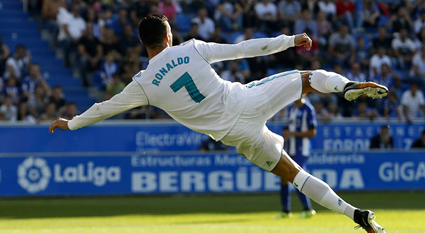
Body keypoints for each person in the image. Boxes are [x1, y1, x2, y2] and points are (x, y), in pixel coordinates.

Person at [50, 14, 388, 233]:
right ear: (168, 35)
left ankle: (355, 215)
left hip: (236, 135)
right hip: (246, 100)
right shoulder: (192, 49)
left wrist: (72, 123)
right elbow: (243, 49)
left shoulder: (143, 84)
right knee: (309, 77)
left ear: (144, 44)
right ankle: (345, 86)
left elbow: (106, 108)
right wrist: (290, 40)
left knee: (294, 175)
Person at [277, 95, 317, 219]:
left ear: (304, 94)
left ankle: (308, 208)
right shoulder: (290, 108)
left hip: (302, 149)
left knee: (296, 176)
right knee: (284, 177)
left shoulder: (308, 109)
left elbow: (312, 132)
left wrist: (292, 133)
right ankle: (285, 210)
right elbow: (287, 126)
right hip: (290, 148)